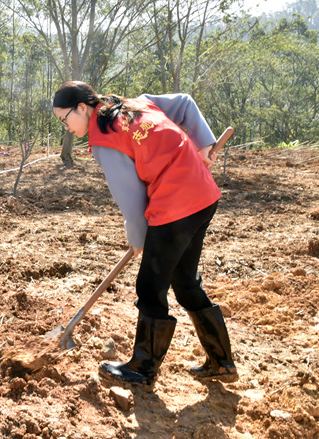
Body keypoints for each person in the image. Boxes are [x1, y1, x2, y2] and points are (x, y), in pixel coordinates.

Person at [52, 81, 237, 387]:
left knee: (150, 285)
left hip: (176, 204)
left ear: (82, 108)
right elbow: (184, 103)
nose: (66, 127)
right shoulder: (136, 103)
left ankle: (143, 368)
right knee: (184, 281)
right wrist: (204, 142)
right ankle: (222, 362)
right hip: (203, 196)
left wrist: (139, 238)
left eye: (64, 119)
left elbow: (131, 199)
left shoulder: (105, 138)